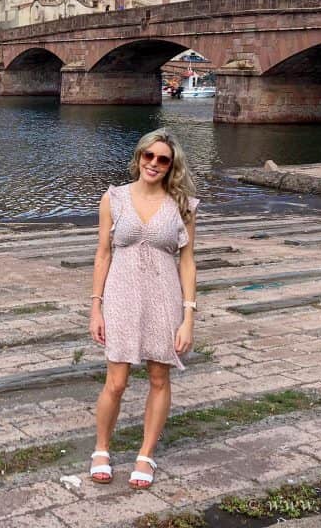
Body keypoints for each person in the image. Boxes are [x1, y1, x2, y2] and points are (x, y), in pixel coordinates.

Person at [88, 128, 199, 490]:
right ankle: (101, 449)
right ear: (138, 158)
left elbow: (187, 262)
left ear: (171, 166)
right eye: (148, 156)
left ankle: (145, 454)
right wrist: (95, 308)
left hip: (164, 298)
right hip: (120, 297)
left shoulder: (182, 205)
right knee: (116, 382)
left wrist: (188, 317)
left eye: (162, 159)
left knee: (158, 379)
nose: (154, 163)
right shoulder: (114, 198)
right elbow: (103, 254)